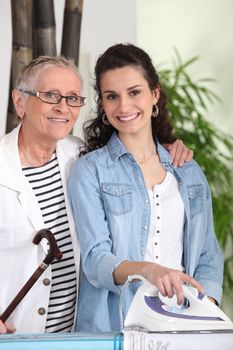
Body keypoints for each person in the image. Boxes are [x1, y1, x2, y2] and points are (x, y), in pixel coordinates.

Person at [0, 55, 191, 335]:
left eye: (73, 98)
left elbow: (133, 147)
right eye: (51, 95)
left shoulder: (80, 157)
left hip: (76, 336)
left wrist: (170, 147)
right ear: (19, 102)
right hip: (16, 334)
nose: (63, 107)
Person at [68, 43, 224, 332]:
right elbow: (96, 261)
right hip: (115, 327)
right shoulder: (90, 171)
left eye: (134, 92)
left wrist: (206, 309)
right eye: (111, 96)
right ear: (102, 104)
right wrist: (147, 270)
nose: (124, 106)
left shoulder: (188, 170)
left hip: (183, 327)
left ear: (155, 94)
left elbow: (208, 254)